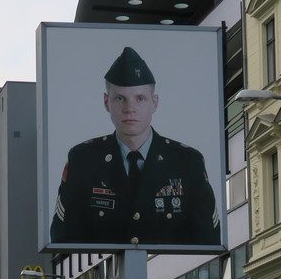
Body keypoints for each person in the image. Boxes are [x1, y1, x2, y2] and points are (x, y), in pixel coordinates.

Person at [49, 46, 218, 247]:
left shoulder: (187, 162)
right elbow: (64, 239)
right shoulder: (83, 160)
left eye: (140, 98)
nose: (130, 109)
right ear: (106, 102)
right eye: (120, 98)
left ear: (154, 103)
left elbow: (208, 240)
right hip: (108, 276)